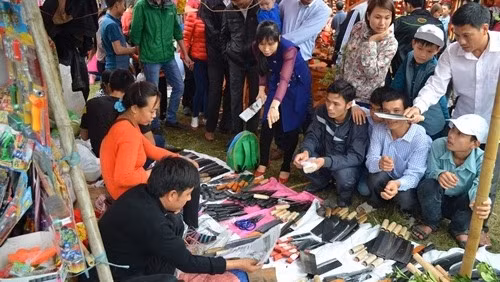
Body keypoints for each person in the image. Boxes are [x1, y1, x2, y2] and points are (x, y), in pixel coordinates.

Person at [94, 157, 261, 281]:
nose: (189, 200)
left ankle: (172, 261)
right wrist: (237, 263)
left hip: (122, 254)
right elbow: (187, 263)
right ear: (172, 194)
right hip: (112, 274)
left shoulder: (142, 191)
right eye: (188, 194)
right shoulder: (154, 223)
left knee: (176, 223)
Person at [404, 3, 500, 126]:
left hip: (495, 129)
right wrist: (418, 107)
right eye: (457, 35)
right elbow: (436, 85)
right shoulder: (452, 52)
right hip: (462, 125)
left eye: (466, 35)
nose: (461, 41)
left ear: (484, 29)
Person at [100, 81, 194, 201]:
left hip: (126, 191)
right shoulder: (127, 133)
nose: (154, 115)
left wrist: (179, 159)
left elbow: (151, 149)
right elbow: (123, 178)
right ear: (134, 108)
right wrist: (153, 174)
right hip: (126, 196)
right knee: (182, 188)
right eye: (152, 111)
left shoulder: (128, 122)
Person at [412, 115, 492, 248]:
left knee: (477, 198)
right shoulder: (438, 144)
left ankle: (459, 228)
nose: (451, 135)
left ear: (475, 143)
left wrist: (477, 200)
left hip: (460, 204)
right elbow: (429, 172)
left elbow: (479, 186)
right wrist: (439, 174)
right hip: (437, 200)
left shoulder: (483, 160)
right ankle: (431, 222)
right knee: (428, 184)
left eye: (460, 134)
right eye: (453, 129)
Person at [252, 21, 312, 184]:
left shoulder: (289, 49)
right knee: (266, 123)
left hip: (296, 83)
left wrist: (274, 105)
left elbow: (286, 79)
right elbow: (262, 68)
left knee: (291, 124)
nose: (266, 49)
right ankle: (263, 162)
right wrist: (261, 89)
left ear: (278, 39)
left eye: (270, 44)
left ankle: (286, 165)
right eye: (262, 44)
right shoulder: (256, 47)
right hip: (276, 80)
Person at [294, 79, 369, 207]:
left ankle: (344, 196)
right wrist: (306, 151)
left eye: (336, 104)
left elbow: (356, 157)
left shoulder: (358, 121)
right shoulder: (321, 111)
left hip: (344, 164)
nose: (330, 107)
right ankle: (322, 182)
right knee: (299, 155)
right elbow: (313, 135)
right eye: (328, 101)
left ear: (349, 104)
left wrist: (325, 161)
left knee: (345, 177)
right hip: (325, 156)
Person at [130, 0, 193, 128]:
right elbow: (136, 34)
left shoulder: (170, 6)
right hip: (150, 57)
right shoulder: (141, 6)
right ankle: (153, 124)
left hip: (168, 55)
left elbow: (177, 31)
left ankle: (171, 118)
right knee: (153, 92)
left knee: (179, 86)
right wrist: (140, 56)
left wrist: (186, 54)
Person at [366, 90, 432, 213]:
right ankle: (377, 203)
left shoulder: (420, 138)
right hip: (387, 176)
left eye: (396, 111)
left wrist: (397, 184)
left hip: (406, 182)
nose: (391, 117)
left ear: (407, 111)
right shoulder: (379, 129)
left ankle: (406, 213)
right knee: (373, 178)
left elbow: (415, 174)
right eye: (386, 112)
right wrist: (379, 163)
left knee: (404, 198)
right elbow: (370, 160)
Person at [391, 24, 450, 139]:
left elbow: (440, 97)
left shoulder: (437, 69)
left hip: (431, 121)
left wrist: (447, 121)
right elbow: (398, 83)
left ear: (438, 50)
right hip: (408, 115)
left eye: (429, 51)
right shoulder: (409, 56)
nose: (423, 54)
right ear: (413, 43)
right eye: (420, 48)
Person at [338, 0, 397, 109]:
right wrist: (338, 83)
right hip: (344, 92)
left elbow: (371, 73)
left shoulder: (390, 43)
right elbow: (346, 58)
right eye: (377, 17)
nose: (382, 23)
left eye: (387, 18)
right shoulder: (359, 28)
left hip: (364, 100)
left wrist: (371, 43)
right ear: (369, 15)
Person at [221, 0, 260, 134]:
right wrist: (228, 52)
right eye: (235, 3)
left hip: (255, 60)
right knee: (235, 98)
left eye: (241, 3)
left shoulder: (259, 7)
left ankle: (251, 132)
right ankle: (236, 133)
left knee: (255, 98)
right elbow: (224, 35)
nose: (238, 6)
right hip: (235, 60)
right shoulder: (229, 10)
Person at [200, 0, 232, 141]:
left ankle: (226, 124)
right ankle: (210, 127)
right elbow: (210, 28)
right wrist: (223, 44)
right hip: (215, 53)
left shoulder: (237, 3)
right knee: (215, 89)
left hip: (232, 53)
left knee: (231, 88)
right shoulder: (208, 2)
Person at [391, 0, 444, 79]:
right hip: (428, 73)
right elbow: (443, 48)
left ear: (408, 5)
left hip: (401, 69)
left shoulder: (401, 21)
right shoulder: (438, 23)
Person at [183, 0, 208, 129]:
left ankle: (206, 114)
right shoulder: (193, 16)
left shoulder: (215, 14)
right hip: (197, 58)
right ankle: (195, 115)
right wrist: (185, 57)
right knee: (200, 88)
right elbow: (186, 37)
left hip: (212, 59)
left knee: (209, 89)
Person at [357, 87, 386, 196]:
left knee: (364, 189)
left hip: (383, 165)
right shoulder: (366, 115)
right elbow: (347, 104)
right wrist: (354, 107)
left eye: (378, 110)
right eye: (371, 108)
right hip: (366, 160)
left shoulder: (391, 125)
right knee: (362, 189)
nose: (373, 113)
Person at [101, 0, 136, 70]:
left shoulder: (110, 21)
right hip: (117, 68)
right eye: (123, 5)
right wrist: (135, 49)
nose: (124, 8)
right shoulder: (111, 24)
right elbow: (118, 50)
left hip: (118, 66)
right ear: (117, 4)